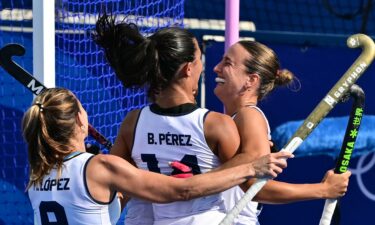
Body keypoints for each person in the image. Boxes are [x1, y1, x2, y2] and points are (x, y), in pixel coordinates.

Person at [93, 14, 291, 225]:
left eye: (227, 62)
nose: (210, 67)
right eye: (199, 59)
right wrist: (320, 190)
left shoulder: (133, 123)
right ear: (188, 68)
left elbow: (114, 195)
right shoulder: (216, 125)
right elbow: (252, 180)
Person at [24, 87, 291, 225]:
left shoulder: (38, 175)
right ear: (80, 121)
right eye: (83, 108)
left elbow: (98, 201)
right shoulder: (101, 167)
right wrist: (250, 168)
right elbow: (182, 191)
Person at [213, 40, 352, 224]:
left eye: (227, 63)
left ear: (251, 80)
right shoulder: (237, 118)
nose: (216, 68)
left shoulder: (249, 116)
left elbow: (256, 188)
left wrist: (323, 189)